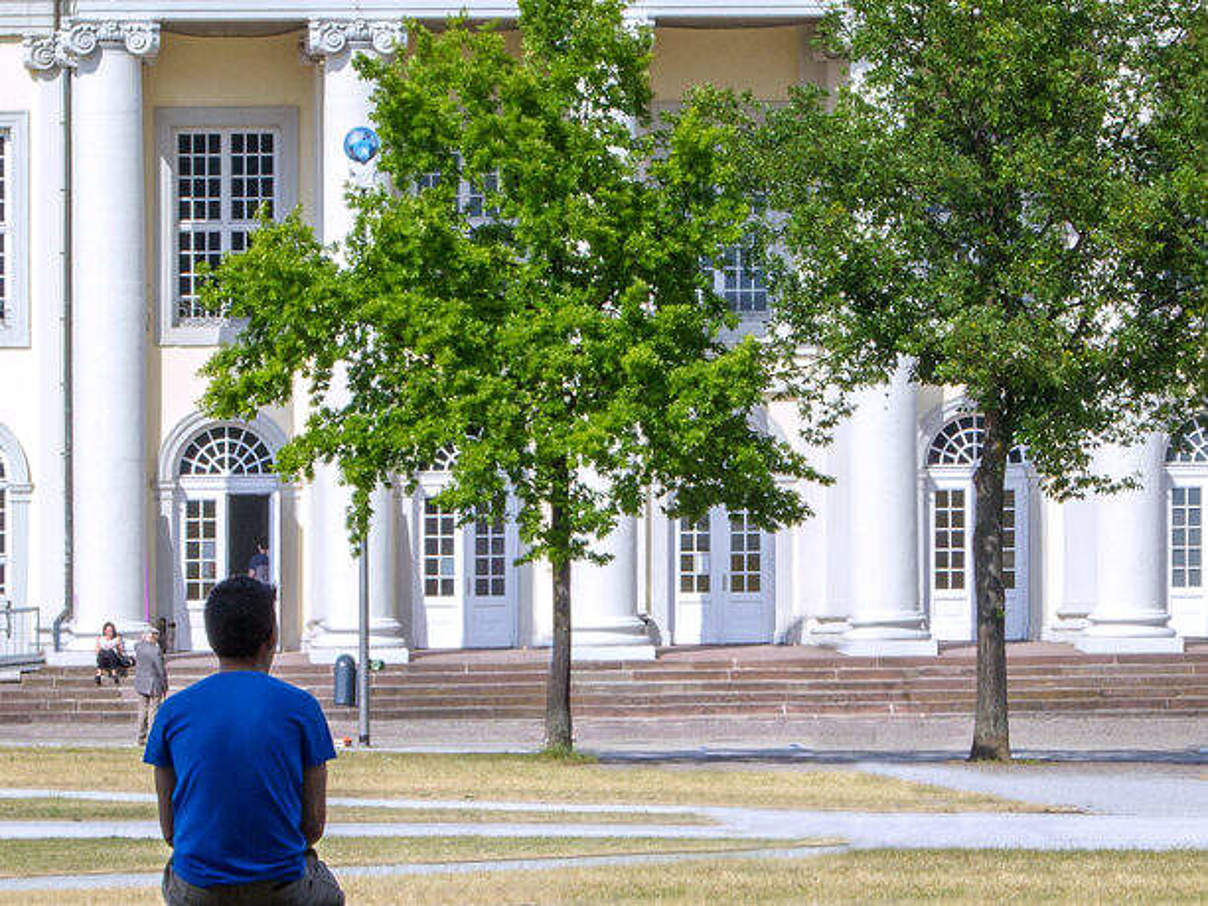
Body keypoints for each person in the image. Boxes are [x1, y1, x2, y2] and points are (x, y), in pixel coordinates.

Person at [143, 577, 343, 905]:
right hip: (280, 886)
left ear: (212, 638)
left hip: (199, 887)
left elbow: (171, 831)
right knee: (329, 894)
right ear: (272, 637)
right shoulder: (301, 708)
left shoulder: (173, 712)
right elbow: (312, 826)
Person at [134, 628, 168, 746]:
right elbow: (160, 669)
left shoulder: (139, 647)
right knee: (154, 710)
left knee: (142, 710)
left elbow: (137, 644)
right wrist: (165, 684)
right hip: (154, 682)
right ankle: (151, 737)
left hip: (141, 682)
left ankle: (140, 736)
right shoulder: (155, 650)